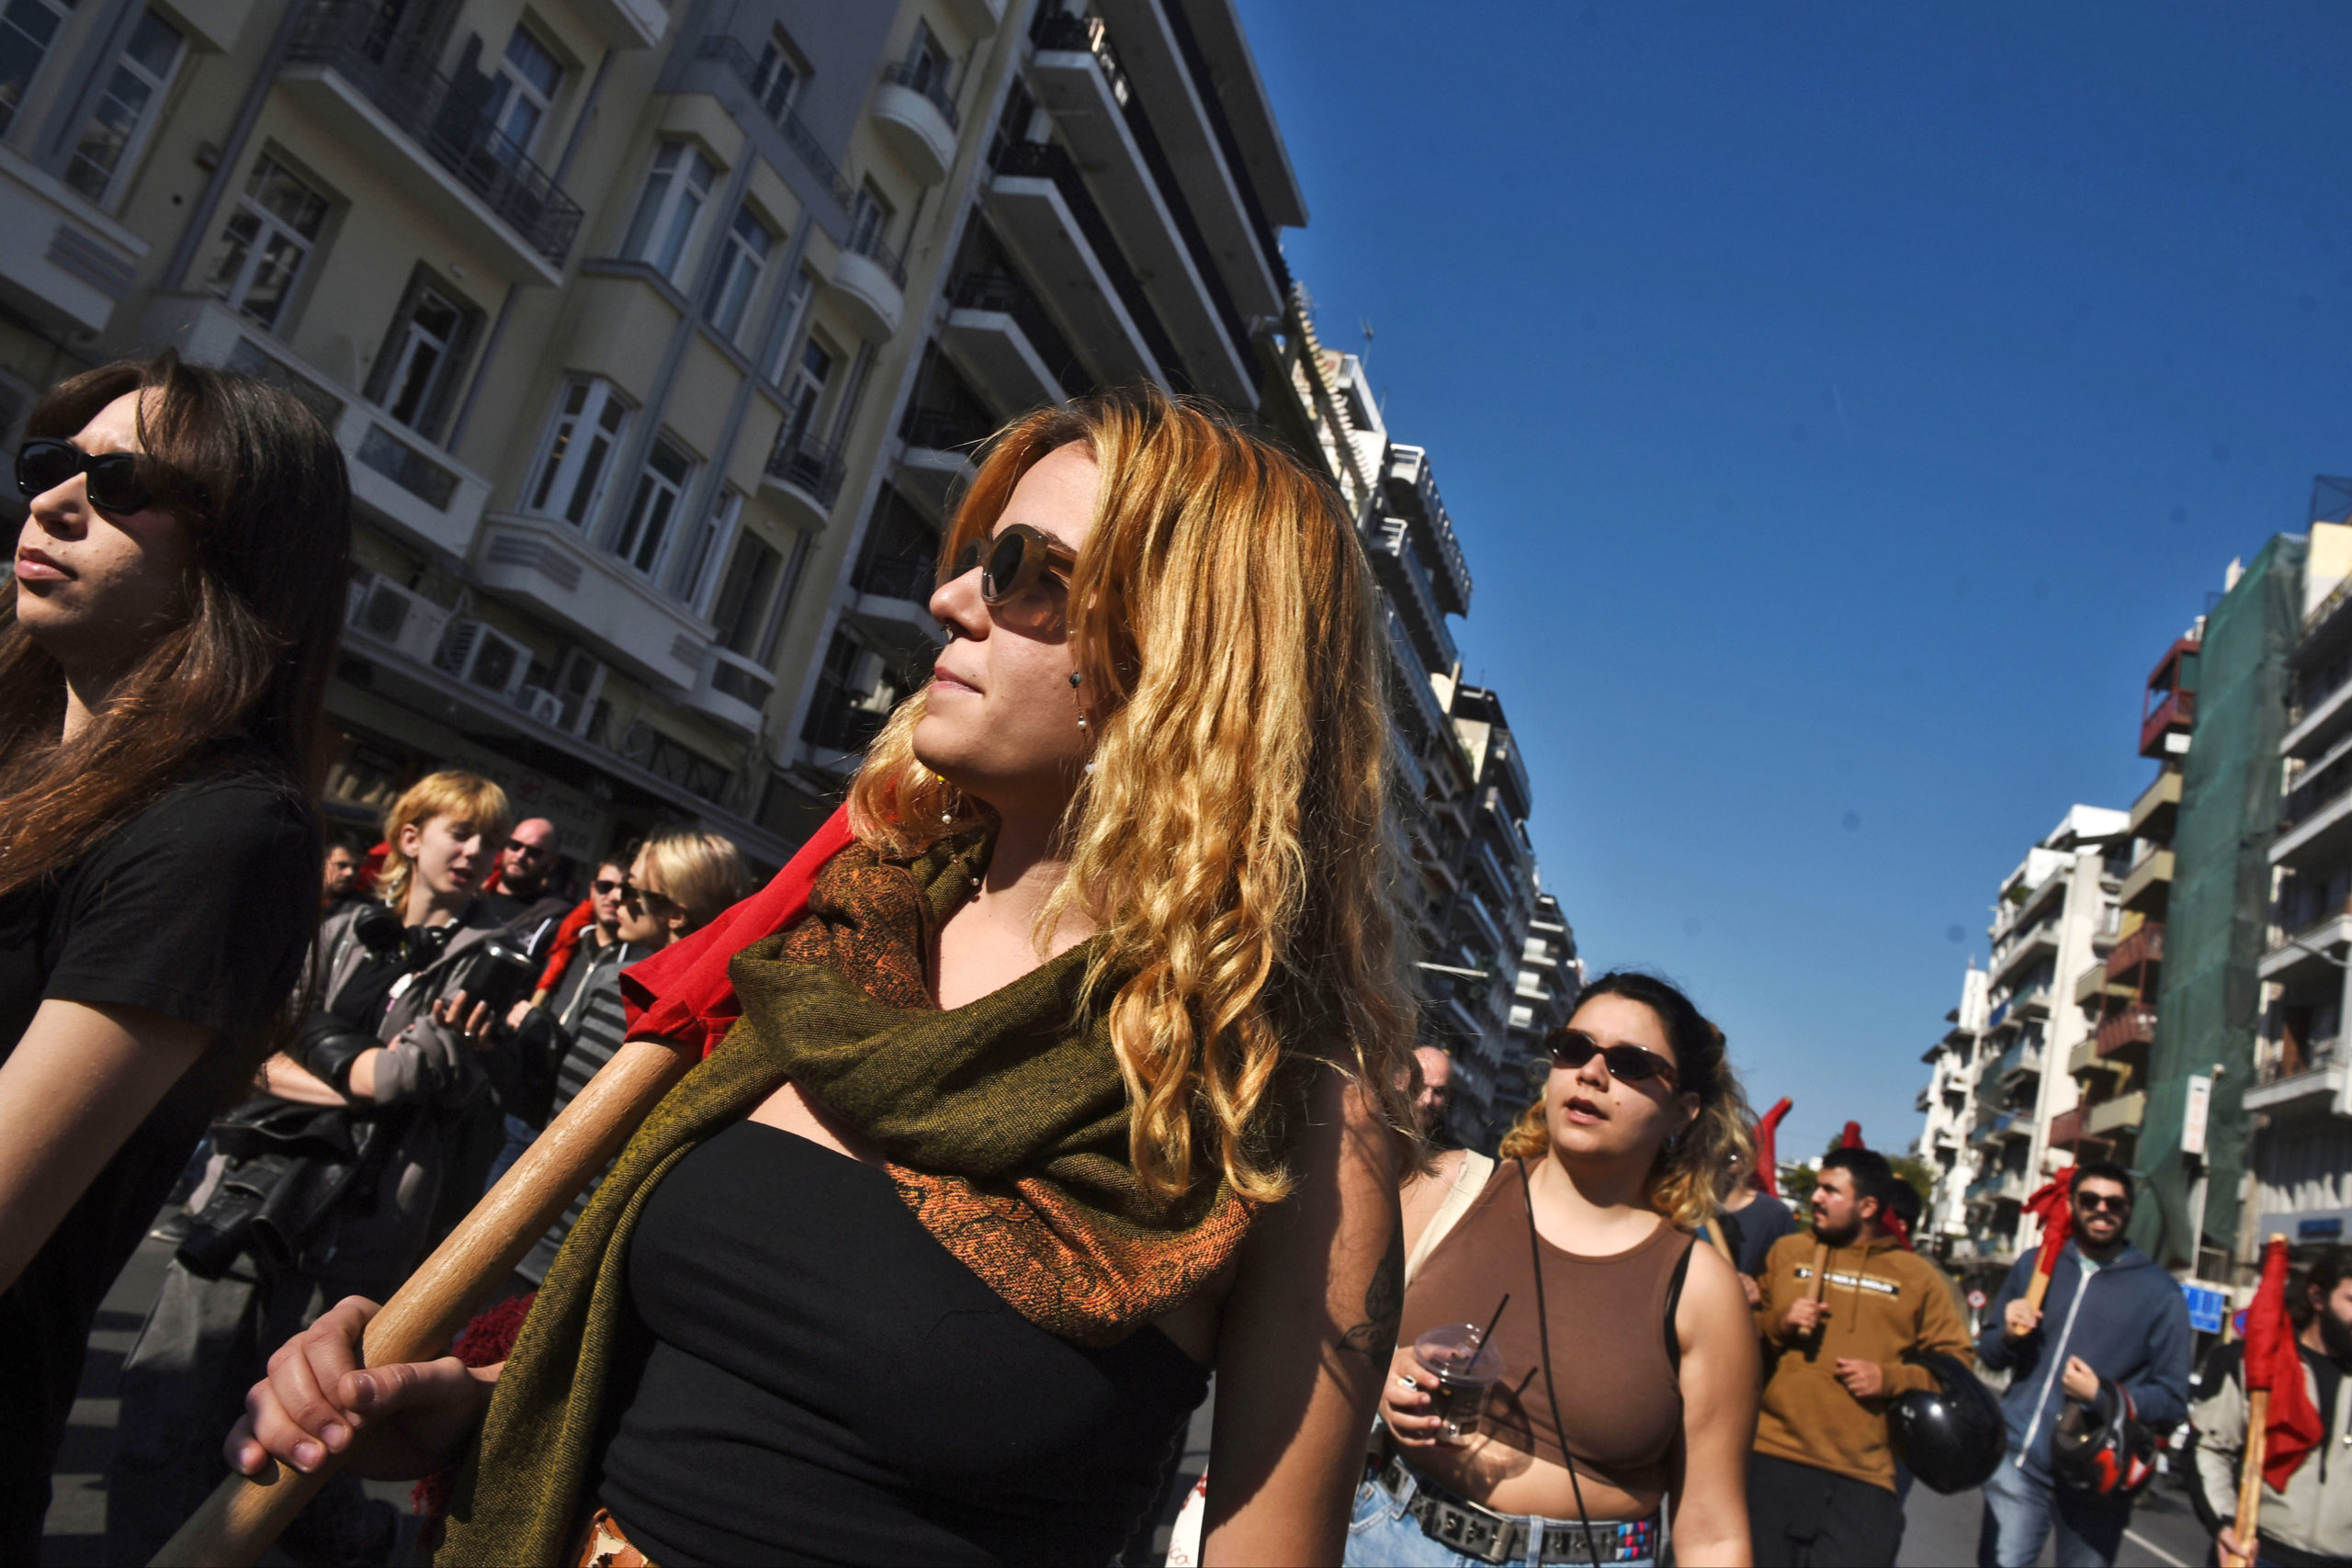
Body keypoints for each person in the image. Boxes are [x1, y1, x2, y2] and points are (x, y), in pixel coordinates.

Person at [227, 387, 1419, 1564]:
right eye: (971, 561)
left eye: (1025, 571)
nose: (952, 600)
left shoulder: (1290, 1107)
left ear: (1192, 662)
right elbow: (675, 1390)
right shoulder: (833, 940)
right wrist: (452, 1405)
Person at [0, 352, 345, 1559]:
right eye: (51, 462)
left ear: (237, 548)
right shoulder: (23, 768)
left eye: (124, 481)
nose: (51, 499)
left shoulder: (223, 827)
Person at [106, 771, 515, 1566]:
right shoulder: (340, 928)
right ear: (410, 836)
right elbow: (253, 1052)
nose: (475, 852)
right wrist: (344, 1068)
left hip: (361, 1221)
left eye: (490, 840)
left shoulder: (482, 961)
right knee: (167, 1404)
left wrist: (309, 1054)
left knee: (310, 1440)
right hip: (254, 1194)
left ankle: (359, 1545)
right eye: (459, 832)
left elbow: (398, 1079)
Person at [1363, 972, 1759, 1567]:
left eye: (1630, 1063)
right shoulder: (1442, 1186)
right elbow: (1317, 1356)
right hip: (1382, 1533)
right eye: (1575, 1048)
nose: (1592, 1073)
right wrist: (1380, 1376)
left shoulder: (1701, 1287)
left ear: (1683, 1109)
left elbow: (1713, 1532)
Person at [506, 829, 744, 1280]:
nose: (618, 899)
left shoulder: (715, 1024)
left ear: (675, 913)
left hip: (593, 1257)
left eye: (633, 891)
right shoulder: (609, 982)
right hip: (523, 1224)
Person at [1748, 1145, 1973, 1566]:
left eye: (1831, 1191)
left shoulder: (1917, 1278)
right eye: (1817, 1188)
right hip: (1771, 1460)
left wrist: (1892, 1379)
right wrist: (1778, 1321)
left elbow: (1957, 1368)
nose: (1815, 1197)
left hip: (1864, 1478)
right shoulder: (1788, 1254)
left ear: (1868, 1206)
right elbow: (1742, 1347)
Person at [1975, 1160, 2192, 1568]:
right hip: (2021, 1462)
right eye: (2090, 1199)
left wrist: (2103, 1395)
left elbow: (2173, 1397)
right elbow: (1988, 1352)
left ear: (2129, 1211)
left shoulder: (2160, 1292)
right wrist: (2006, 1334)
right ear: (2072, 1204)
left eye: (2114, 1203)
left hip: (2098, 1478)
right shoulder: (2036, 1266)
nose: (2101, 1209)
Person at [2190, 1244, 2352, 1567]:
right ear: (2318, 1298)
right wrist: (2225, 1523)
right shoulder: (2257, 1364)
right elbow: (2210, 1448)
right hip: (2261, 1554)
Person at [481, 854, 634, 1191]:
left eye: (623, 889)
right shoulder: (565, 937)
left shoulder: (634, 963)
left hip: (561, 1115)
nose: (613, 896)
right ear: (592, 889)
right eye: (605, 886)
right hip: (519, 1093)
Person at [1408, 1043, 1454, 1138]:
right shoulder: (1376, 1129)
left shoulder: (1449, 1150)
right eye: (1420, 1086)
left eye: (1438, 1092)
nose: (1428, 1100)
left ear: (1449, 1096)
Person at [322, 831, 362, 910]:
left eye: (356, 868)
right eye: (342, 865)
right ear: (322, 863)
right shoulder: (296, 896)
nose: (350, 873)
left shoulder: (359, 909)